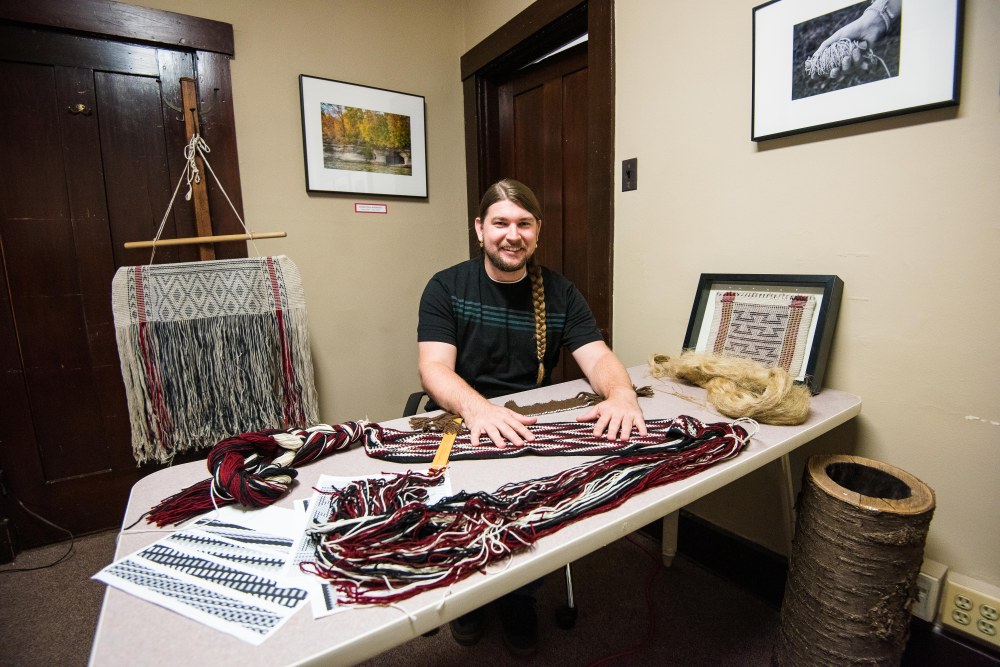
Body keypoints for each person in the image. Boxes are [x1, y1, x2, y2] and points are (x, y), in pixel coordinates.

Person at [417, 178, 646, 656]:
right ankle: (469, 597)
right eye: (500, 223)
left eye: (523, 224)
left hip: (531, 425)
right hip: (461, 419)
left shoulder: (559, 293)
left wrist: (622, 394)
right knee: (460, 504)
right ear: (480, 229)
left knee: (541, 499)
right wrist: (479, 409)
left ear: (537, 232)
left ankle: (519, 595)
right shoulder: (446, 286)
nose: (512, 234)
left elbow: (597, 356)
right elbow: (434, 368)